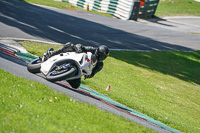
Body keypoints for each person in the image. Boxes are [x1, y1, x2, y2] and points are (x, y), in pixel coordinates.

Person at [41, 42, 109, 88]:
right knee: (69, 45)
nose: (101, 58)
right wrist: (79, 49)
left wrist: (87, 75)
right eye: (101, 55)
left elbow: (92, 74)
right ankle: (52, 53)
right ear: (97, 51)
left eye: (103, 57)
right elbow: (80, 46)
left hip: (80, 69)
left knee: (76, 85)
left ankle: (65, 75)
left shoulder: (100, 65)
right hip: (75, 58)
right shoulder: (91, 49)